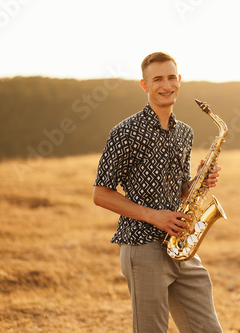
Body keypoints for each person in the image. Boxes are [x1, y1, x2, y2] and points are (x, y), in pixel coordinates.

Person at [92, 52, 223, 332]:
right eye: (158, 79)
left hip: (180, 246)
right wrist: (154, 217)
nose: (166, 85)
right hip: (142, 248)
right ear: (145, 85)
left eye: (171, 77)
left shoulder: (184, 133)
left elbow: (181, 191)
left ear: (180, 80)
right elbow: (101, 194)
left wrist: (200, 180)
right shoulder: (125, 132)